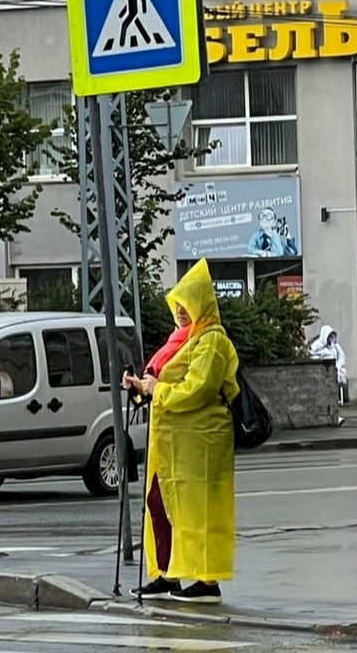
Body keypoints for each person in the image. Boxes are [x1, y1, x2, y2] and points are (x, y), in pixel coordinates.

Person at [123, 259, 238, 605]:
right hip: (172, 444)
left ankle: (207, 581)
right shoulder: (181, 340)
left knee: (199, 511)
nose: (181, 312)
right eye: (177, 306)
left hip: (200, 442)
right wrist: (141, 388)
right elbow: (166, 383)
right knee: (161, 505)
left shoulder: (212, 341)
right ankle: (167, 572)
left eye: (187, 305)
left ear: (201, 304)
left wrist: (157, 389)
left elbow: (199, 388)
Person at [309, 324, 347, 425]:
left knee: (332, 396)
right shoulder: (317, 346)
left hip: (333, 373)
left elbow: (341, 356)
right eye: (329, 336)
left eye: (332, 336)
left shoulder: (335, 346)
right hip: (323, 374)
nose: (330, 339)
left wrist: (339, 365)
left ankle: (334, 418)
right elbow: (312, 356)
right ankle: (332, 418)